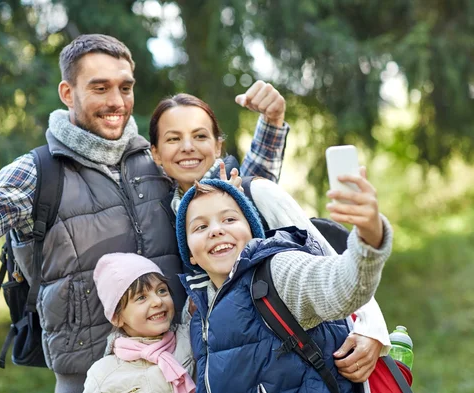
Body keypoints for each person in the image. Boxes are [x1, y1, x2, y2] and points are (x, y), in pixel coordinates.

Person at [0, 34, 287, 392]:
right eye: (99, 87)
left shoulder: (157, 160)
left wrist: (271, 123)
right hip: (90, 381)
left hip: (188, 371)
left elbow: (240, 203)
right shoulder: (36, 174)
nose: (117, 101)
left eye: (125, 87)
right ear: (67, 93)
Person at [149, 92, 392, 383]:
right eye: (174, 139)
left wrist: (372, 330)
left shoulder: (255, 192)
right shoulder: (170, 215)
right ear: (155, 153)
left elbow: (331, 267)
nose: (187, 147)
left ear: (218, 145)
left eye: (200, 136)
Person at [174, 178, 393, 392]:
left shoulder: (276, 272)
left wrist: (369, 239)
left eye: (229, 220)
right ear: (190, 254)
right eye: (201, 226)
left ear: (252, 231)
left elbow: (341, 287)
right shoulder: (198, 312)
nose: (216, 230)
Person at [83, 252, 195, 393]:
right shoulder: (103, 375)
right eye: (141, 297)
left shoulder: (191, 338)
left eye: (161, 290)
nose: (157, 301)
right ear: (117, 318)